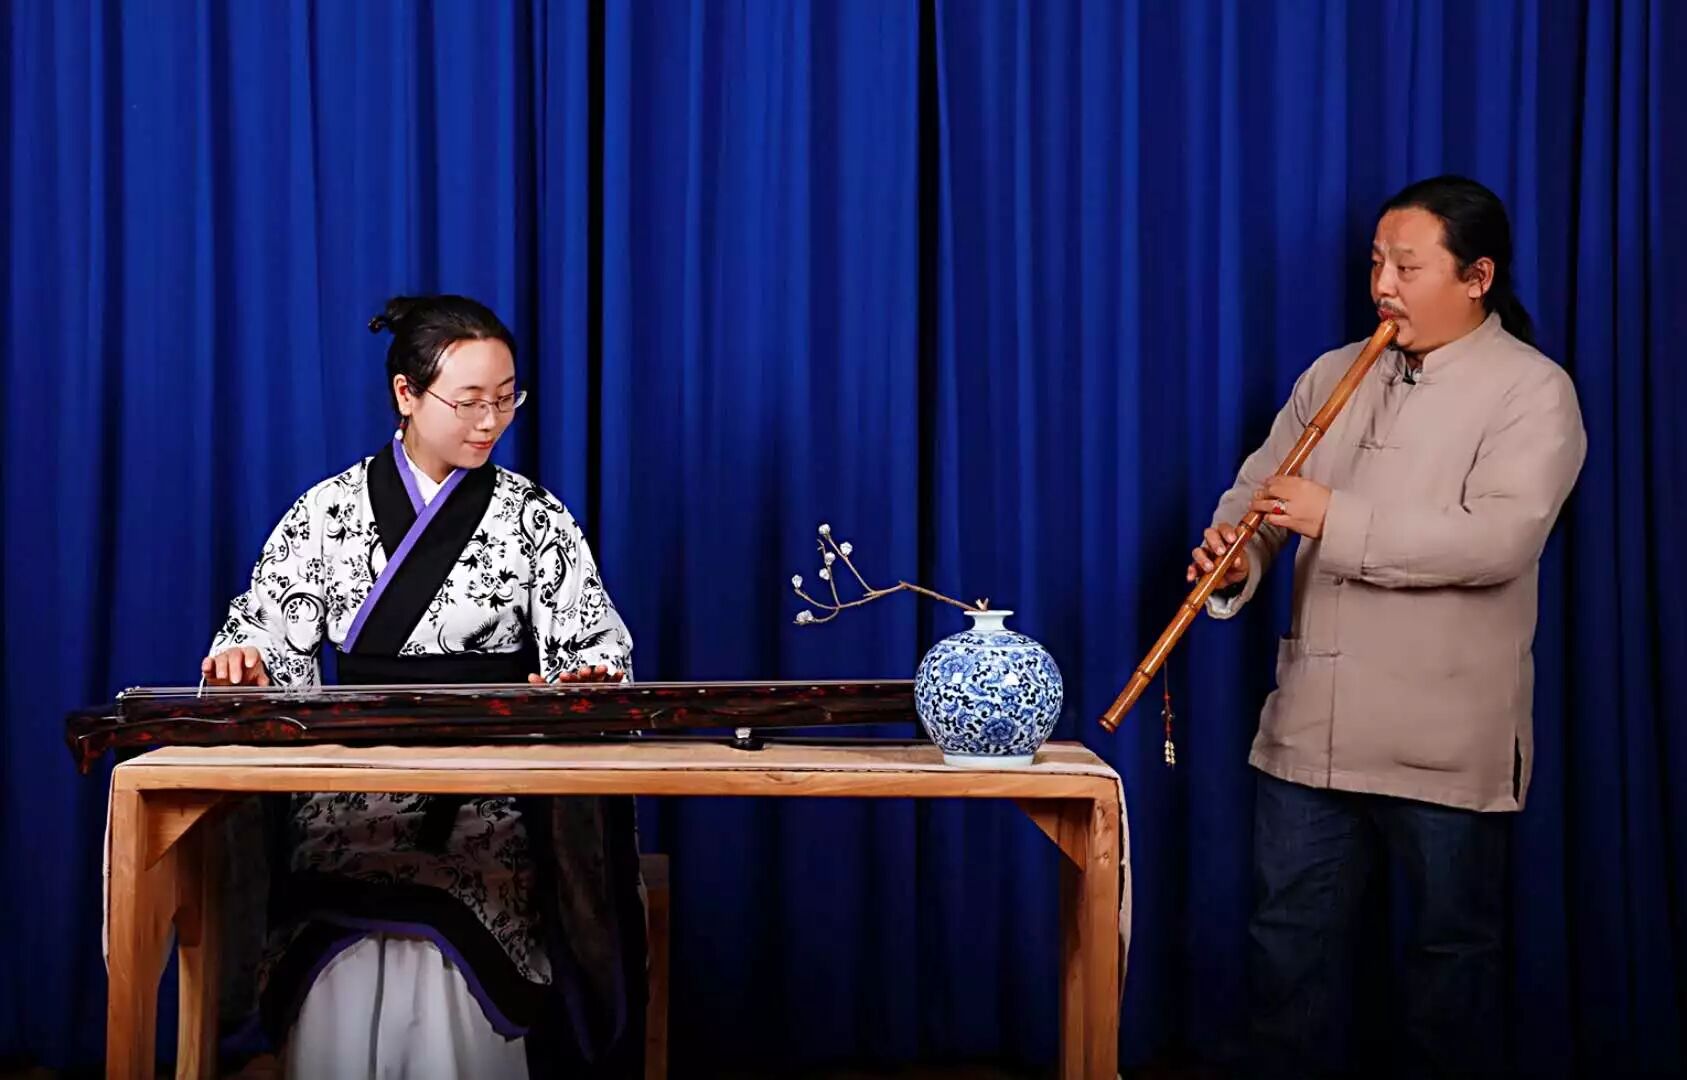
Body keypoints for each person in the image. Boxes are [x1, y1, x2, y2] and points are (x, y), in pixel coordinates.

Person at [1187, 176, 1586, 1078]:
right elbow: (1258, 495)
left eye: (1406, 267)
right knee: (1283, 954)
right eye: (1376, 263)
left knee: (1448, 971)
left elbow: (1498, 540)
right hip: (1310, 730)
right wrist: (1237, 558)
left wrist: (1335, 517)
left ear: (1477, 277)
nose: (1381, 285)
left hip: (1445, 740)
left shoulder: (1533, 391)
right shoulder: (1331, 372)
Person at [203, 295, 644, 1078]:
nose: (491, 421)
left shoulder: (534, 519)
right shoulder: (326, 513)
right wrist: (245, 663)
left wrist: (583, 682)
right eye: (469, 401)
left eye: (506, 399)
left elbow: (598, 650)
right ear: (405, 394)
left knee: (471, 883)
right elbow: (264, 638)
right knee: (341, 892)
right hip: (353, 793)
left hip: (489, 795)